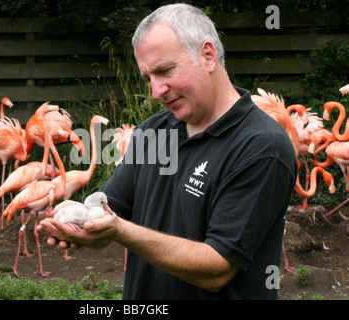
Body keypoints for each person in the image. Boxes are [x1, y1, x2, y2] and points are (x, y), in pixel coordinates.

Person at [37, 3, 297, 299]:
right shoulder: (153, 131)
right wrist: (81, 225)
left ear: (208, 56)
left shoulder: (261, 146)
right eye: (148, 78)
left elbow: (217, 269)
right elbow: (108, 216)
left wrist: (118, 230)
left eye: (165, 71)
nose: (155, 91)